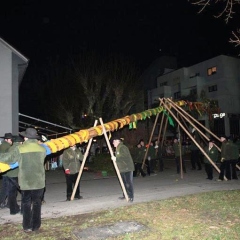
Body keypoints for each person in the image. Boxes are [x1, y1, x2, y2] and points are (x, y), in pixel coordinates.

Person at [0, 128, 46, 232]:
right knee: (37, 204)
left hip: (26, 182)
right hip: (39, 182)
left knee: (25, 203)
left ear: (25, 137)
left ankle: (27, 226)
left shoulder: (20, 149)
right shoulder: (42, 149)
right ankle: (36, 226)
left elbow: (9, 159)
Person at [111, 136, 135, 202]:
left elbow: (124, 156)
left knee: (128, 183)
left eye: (114, 141)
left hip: (127, 168)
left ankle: (131, 196)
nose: (113, 143)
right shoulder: (118, 149)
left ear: (118, 141)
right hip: (122, 169)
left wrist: (116, 158)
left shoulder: (123, 147)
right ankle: (125, 195)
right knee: (123, 183)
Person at [5, 135, 23, 215]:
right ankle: (24, 210)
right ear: (20, 142)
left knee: (11, 193)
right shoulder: (20, 149)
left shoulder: (10, 148)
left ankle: (13, 210)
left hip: (9, 173)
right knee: (24, 192)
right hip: (17, 174)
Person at [0, 133, 13, 208]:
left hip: (3, 169)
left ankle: (3, 202)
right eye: (10, 139)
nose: (11, 141)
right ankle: (2, 202)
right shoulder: (7, 146)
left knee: (5, 187)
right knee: (7, 187)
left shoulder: (2, 145)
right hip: (7, 170)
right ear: (6, 140)